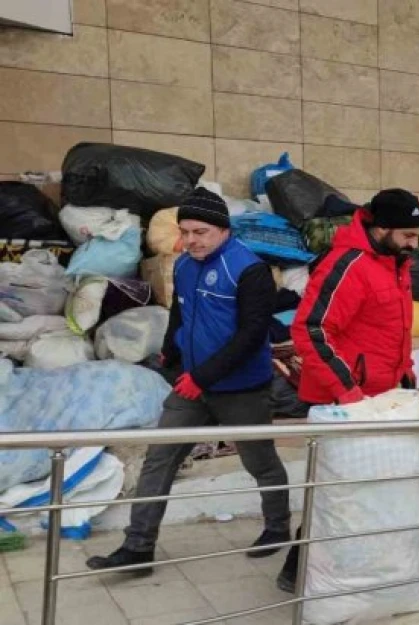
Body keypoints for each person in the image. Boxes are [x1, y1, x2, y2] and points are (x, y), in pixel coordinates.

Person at [87, 188, 290, 575]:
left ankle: (278, 529)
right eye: (186, 232)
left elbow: (251, 335)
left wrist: (202, 376)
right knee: (158, 460)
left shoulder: (249, 270)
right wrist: (171, 353)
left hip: (241, 388)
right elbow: (179, 314)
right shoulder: (183, 265)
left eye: (201, 232)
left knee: (260, 462)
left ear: (223, 230)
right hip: (191, 385)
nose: (192, 240)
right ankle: (138, 547)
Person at [275, 188, 419, 592]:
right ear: (380, 228)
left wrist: (405, 374)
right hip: (343, 400)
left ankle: (354, 567)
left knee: (362, 495)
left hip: (379, 399)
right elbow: (311, 329)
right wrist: (346, 389)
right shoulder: (349, 263)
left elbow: (392, 330)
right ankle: (298, 568)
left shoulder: (395, 263)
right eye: (408, 235)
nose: (415, 245)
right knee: (332, 492)